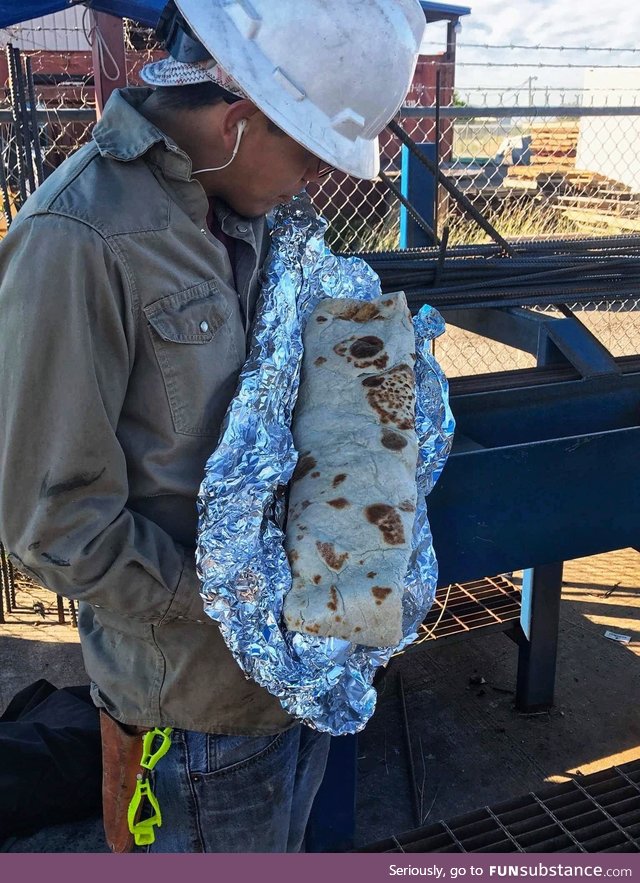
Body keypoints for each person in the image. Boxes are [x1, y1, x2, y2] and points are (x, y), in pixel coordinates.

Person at [0, 0, 425, 853]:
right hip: (194, 713)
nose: (311, 179)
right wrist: (240, 608)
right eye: (309, 153)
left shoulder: (240, 211)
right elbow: (50, 524)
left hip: (294, 678)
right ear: (239, 120)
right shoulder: (78, 239)